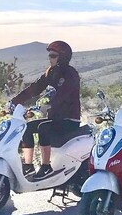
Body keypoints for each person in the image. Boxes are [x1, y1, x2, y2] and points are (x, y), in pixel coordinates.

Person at [10, 41, 81, 180]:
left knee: (43, 128)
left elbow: (63, 94)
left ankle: (46, 167)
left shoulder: (71, 74)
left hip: (69, 119)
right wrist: (15, 100)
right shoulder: (51, 72)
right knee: (27, 127)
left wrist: (49, 103)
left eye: (53, 55)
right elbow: (35, 88)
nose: (50, 58)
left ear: (63, 57)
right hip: (55, 118)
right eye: (49, 55)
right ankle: (28, 166)